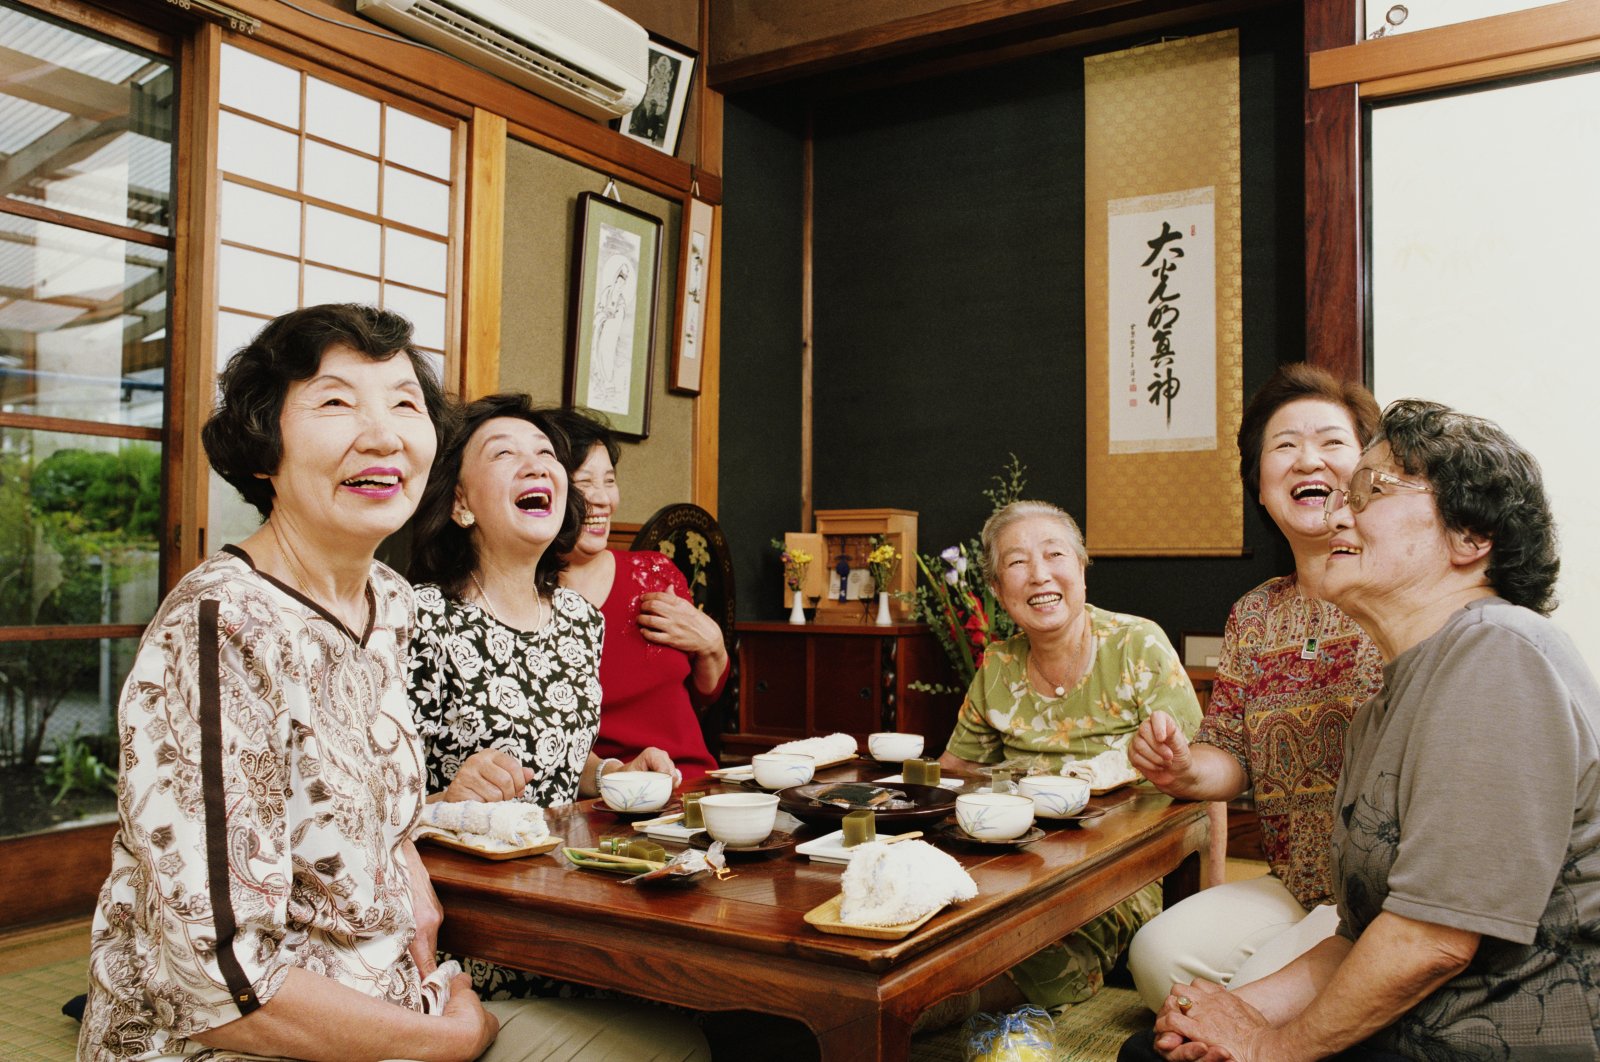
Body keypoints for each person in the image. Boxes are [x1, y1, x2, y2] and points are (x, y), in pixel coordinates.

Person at [77, 304, 708, 1062]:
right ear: (261, 448)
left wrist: (407, 867)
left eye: (404, 403)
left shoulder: (387, 602)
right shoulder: (223, 626)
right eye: (336, 401)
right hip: (252, 1043)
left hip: (396, 992)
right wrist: (448, 1037)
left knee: (685, 1043)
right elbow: (222, 986)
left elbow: (373, 798)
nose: (382, 433)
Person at [1123, 400, 1599, 1061]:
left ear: (1470, 537)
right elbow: (1357, 936)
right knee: (1155, 1047)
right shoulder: (1390, 693)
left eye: (1372, 490)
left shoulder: (1500, 653)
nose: (1339, 513)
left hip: (1492, 1033)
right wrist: (1237, 1011)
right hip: (1417, 1009)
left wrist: (1270, 1047)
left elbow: (1430, 941)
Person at [1125, 365, 1385, 1011]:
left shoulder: (1398, 590)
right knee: (1158, 954)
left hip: (1382, 889)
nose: (1307, 460)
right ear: (1261, 488)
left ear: (1369, 474)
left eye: (1330, 442)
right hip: (1296, 880)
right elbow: (1229, 756)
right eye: (1284, 446)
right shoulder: (1255, 612)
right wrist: (1182, 767)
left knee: (1245, 1002)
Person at [934, 500, 1204, 1018]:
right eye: (1016, 563)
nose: (1039, 574)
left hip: (1117, 869)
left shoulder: (1136, 645)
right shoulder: (998, 664)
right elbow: (954, 771)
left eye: (1054, 554)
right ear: (996, 589)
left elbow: (1202, 777)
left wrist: (1204, 908)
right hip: (1014, 858)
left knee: (1042, 954)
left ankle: (925, 1013)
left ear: (1080, 568)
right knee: (944, 925)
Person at [407, 392, 674, 812]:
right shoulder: (417, 617)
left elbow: (559, 762)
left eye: (546, 453)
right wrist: (449, 799)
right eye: (503, 453)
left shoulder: (579, 619)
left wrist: (614, 775)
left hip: (555, 870)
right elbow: (371, 804)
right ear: (460, 502)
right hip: (457, 873)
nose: (536, 466)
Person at [543, 406, 727, 785]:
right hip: (610, 797)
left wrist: (713, 646)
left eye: (608, 481)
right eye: (583, 483)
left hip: (695, 784)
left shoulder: (655, 573)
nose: (602, 500)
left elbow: (702, 693)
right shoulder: (523, 599)